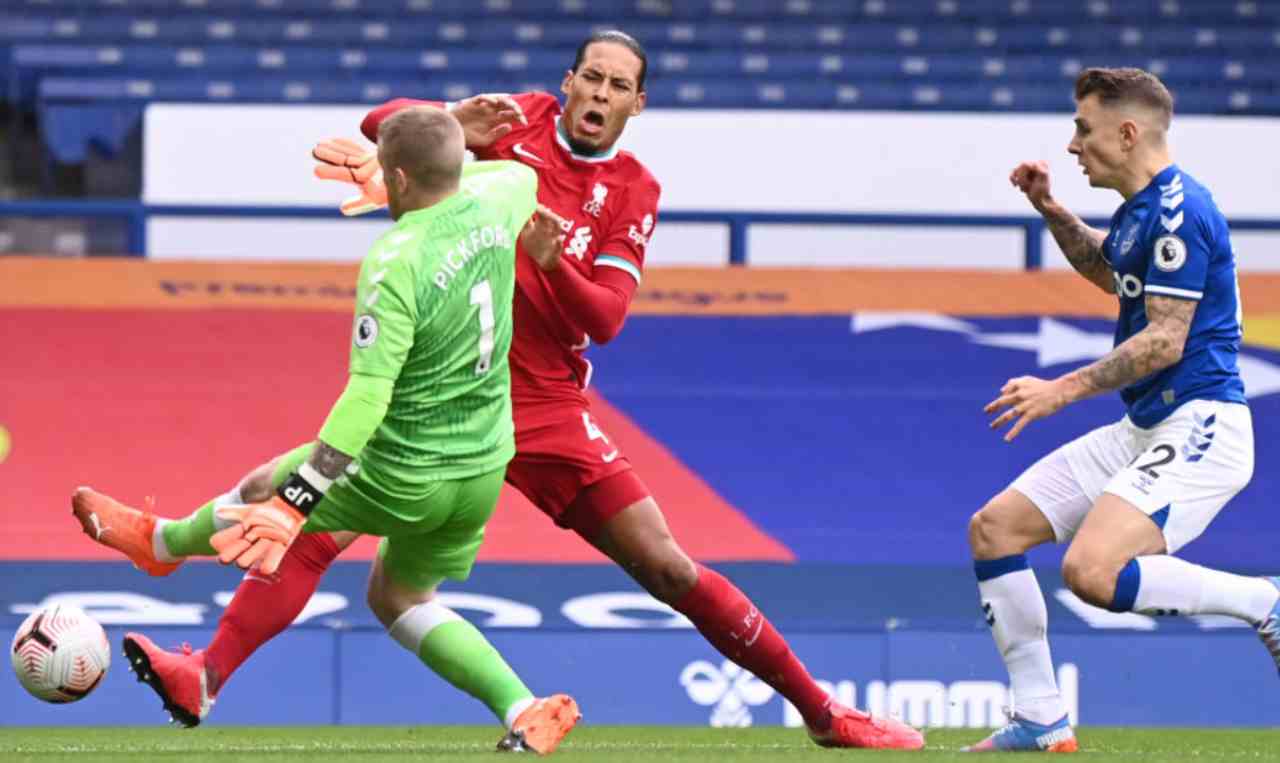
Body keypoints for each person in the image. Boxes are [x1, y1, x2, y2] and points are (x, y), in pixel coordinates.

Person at [72, 30, 923, 750]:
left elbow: (609, 318)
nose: (598, 92)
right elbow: (396, 133)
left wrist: (556, 266)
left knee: (665, 563)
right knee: (313, 535)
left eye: (618, 85)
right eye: (589, 75)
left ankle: (823, 710)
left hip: (546, 405)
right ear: (567, 82)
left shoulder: (631, 191)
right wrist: (453, 114)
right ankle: (203, 670)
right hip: (444, 390)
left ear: (637, 106)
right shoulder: (522, 130)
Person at [83, 106, 582, 754]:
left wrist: (298, 498)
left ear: (396, 178)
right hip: (484, 464)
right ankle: (523, 707)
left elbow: (367, 396)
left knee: (267, 488)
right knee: (402, 595)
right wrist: (418, 165)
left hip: (404, 467)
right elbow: (496, 175)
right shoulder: (506, 191)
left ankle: (162, 542)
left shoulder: (395, 259)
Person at [967, 67, 1277, 753]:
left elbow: (1164, 340)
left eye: (1083, 128)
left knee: (1092, 571)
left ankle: (1267, 602)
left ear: (1127, 132)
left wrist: (1060, 389)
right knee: (994, 530)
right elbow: (1114, 272)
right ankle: (1041, 715)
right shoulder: (1142, 210)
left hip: (1202, 424)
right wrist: (1050, 208)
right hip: (1145, 426)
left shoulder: (1182, 212)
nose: (1074, 144)